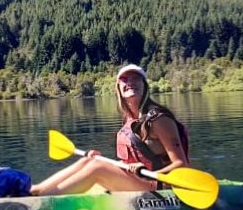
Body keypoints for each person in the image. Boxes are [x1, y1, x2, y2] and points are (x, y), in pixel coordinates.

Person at [30, 63, 190, 196]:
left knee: (97, 168)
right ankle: (36, 191)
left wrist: (142, 171)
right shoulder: (129, 120)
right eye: (125, 80)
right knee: (91, 160)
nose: (130, 83)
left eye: (136, 79)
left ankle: (41, 202)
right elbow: (133, 160)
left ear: (144, 85)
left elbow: (181, 164)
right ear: (119, 88)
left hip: (158, 189)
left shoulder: (158, 119)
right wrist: (122, 165)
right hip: (139, 182)